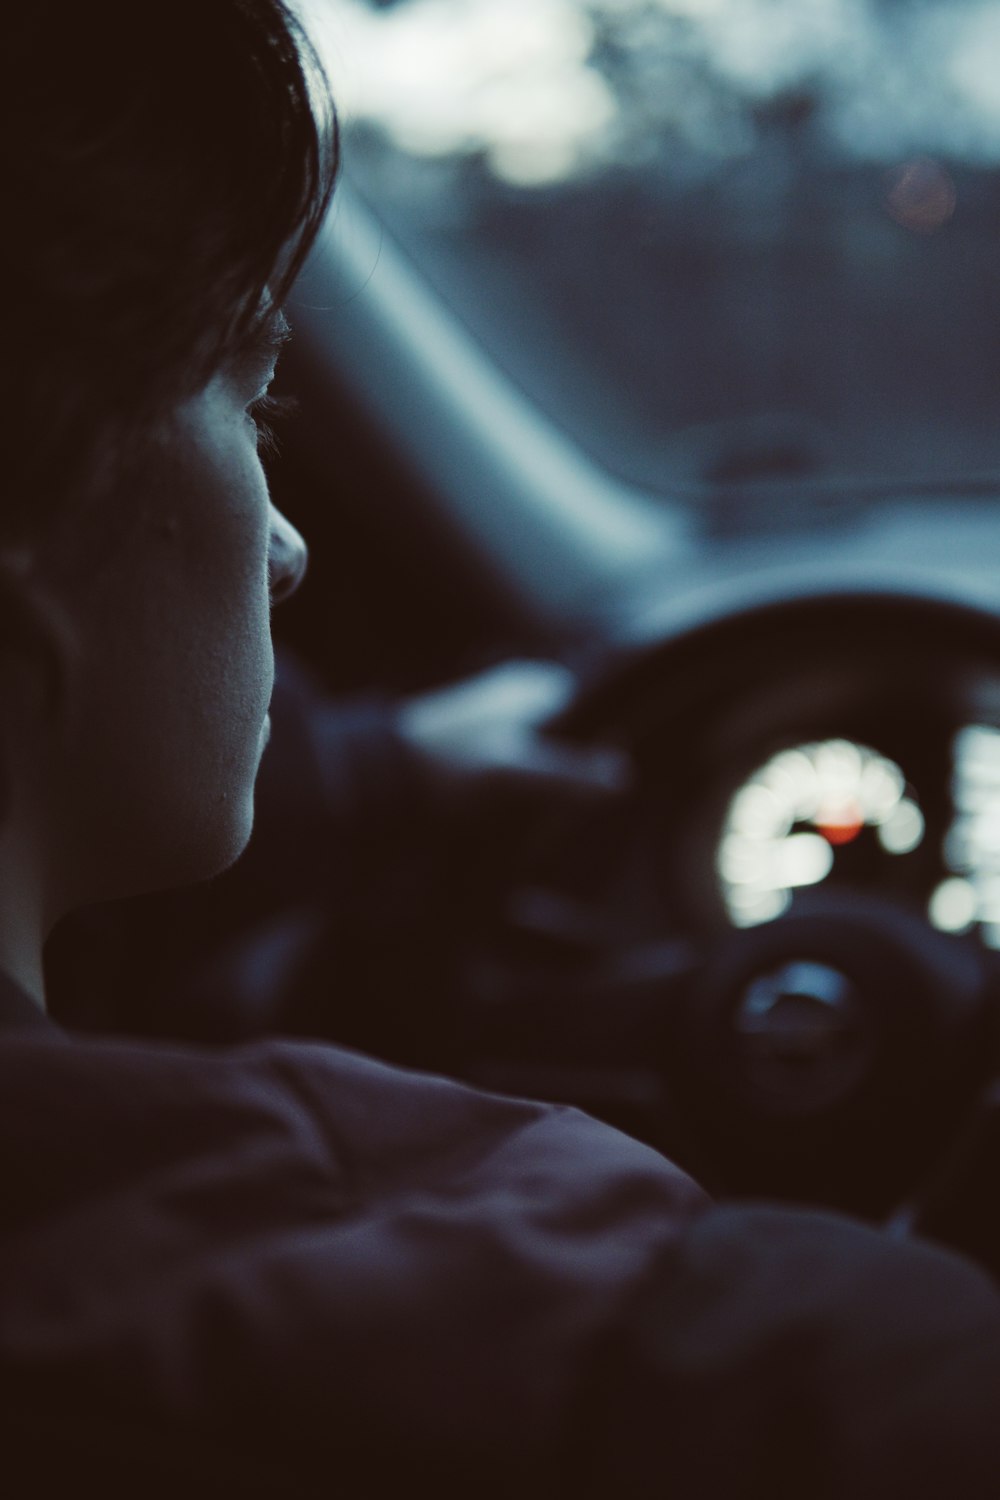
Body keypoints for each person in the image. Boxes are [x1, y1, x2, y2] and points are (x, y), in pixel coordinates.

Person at [1, 3, 999, 1495]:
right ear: (26, 561)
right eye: (249, 399)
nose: (287, 544)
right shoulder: (736, 1371)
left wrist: (390, 772)